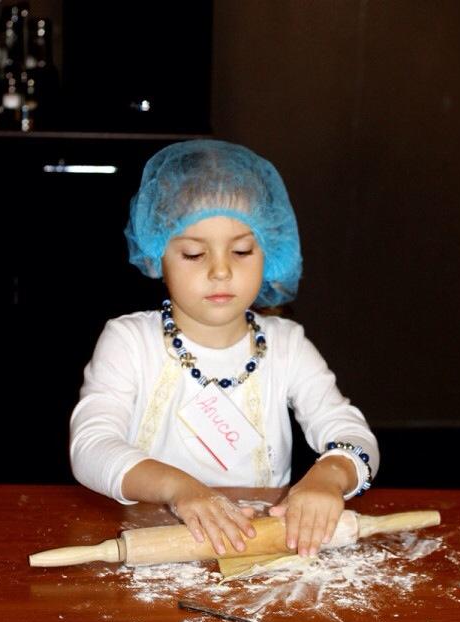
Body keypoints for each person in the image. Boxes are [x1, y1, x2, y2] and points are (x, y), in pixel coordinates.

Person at [70, 139, 378, 559]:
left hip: (259, 549)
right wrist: (180, 489)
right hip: (151, 546)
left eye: (241, 250)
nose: (220, 270)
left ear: (270, 250)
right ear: (158, 256)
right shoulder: (130, 342)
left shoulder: (287, 345)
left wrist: (330, 475)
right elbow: (90, 446)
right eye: (194, 253)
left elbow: (352, 433)